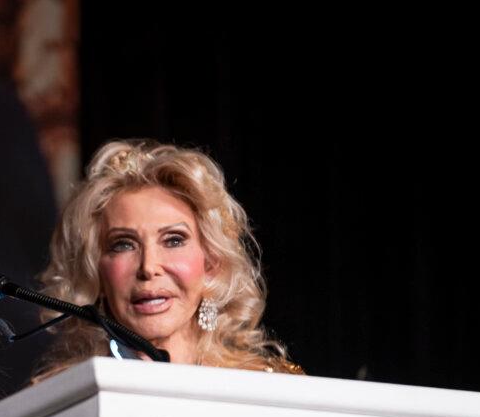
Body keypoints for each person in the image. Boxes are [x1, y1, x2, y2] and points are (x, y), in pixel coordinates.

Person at [37, 139, 298, 373]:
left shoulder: (271, 389)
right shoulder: (59, 401)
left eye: (173, 240)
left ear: (211, 263)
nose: (149, 267)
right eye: (123, 245)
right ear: (95, 273)